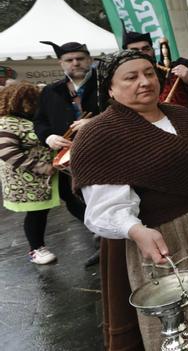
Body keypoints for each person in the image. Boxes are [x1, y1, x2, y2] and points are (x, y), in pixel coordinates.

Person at [70, 50, 188, 351]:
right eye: (131, 77)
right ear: (110, 88)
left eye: (149, 73)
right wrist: (136, 230)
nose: (144, 82)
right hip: (158, 241)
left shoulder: (181, 115)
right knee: (183, 321)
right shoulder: (100, 134)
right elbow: (106, 208)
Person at [32, 40, 99, 267]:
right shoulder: (51, 91)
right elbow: (39, 121)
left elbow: (123, 111)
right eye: (69, 60)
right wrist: (48, 137)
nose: (75, 63)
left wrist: (95, 121)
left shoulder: (105, 83)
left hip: (104, 151)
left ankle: (117, 241)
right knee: (73, 198)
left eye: (80, 58)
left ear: (89, 59)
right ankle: (102, 237)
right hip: (68, 156)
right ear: (61, 64)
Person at [0, 83, 59, 264]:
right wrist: (40, 166)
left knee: (42, 211)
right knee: (36, 213)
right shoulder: (8, 122)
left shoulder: (28, 119)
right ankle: (36, 249)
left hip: (41, 178)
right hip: (27, 180)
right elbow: (6, 152)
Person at [121, 31, 188, 116]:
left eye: (146, 49)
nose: (141, 54)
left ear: (153, 51)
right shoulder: (123, 82)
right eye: (134, 51)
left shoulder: (175, 70)